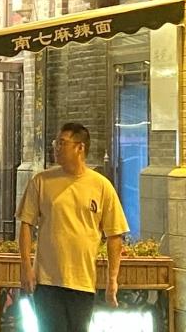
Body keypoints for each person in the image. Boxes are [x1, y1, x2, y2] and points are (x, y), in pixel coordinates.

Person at [17, 122, 128, 331]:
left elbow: (115, 235)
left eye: (62, 143)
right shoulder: (41, 182)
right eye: (56, 143)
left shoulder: (101, 186)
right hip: (47, 281)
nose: (56, 148)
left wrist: (112, 280)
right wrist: (26, 267)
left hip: (83, 282)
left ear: (80, 148)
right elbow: (26, 225)